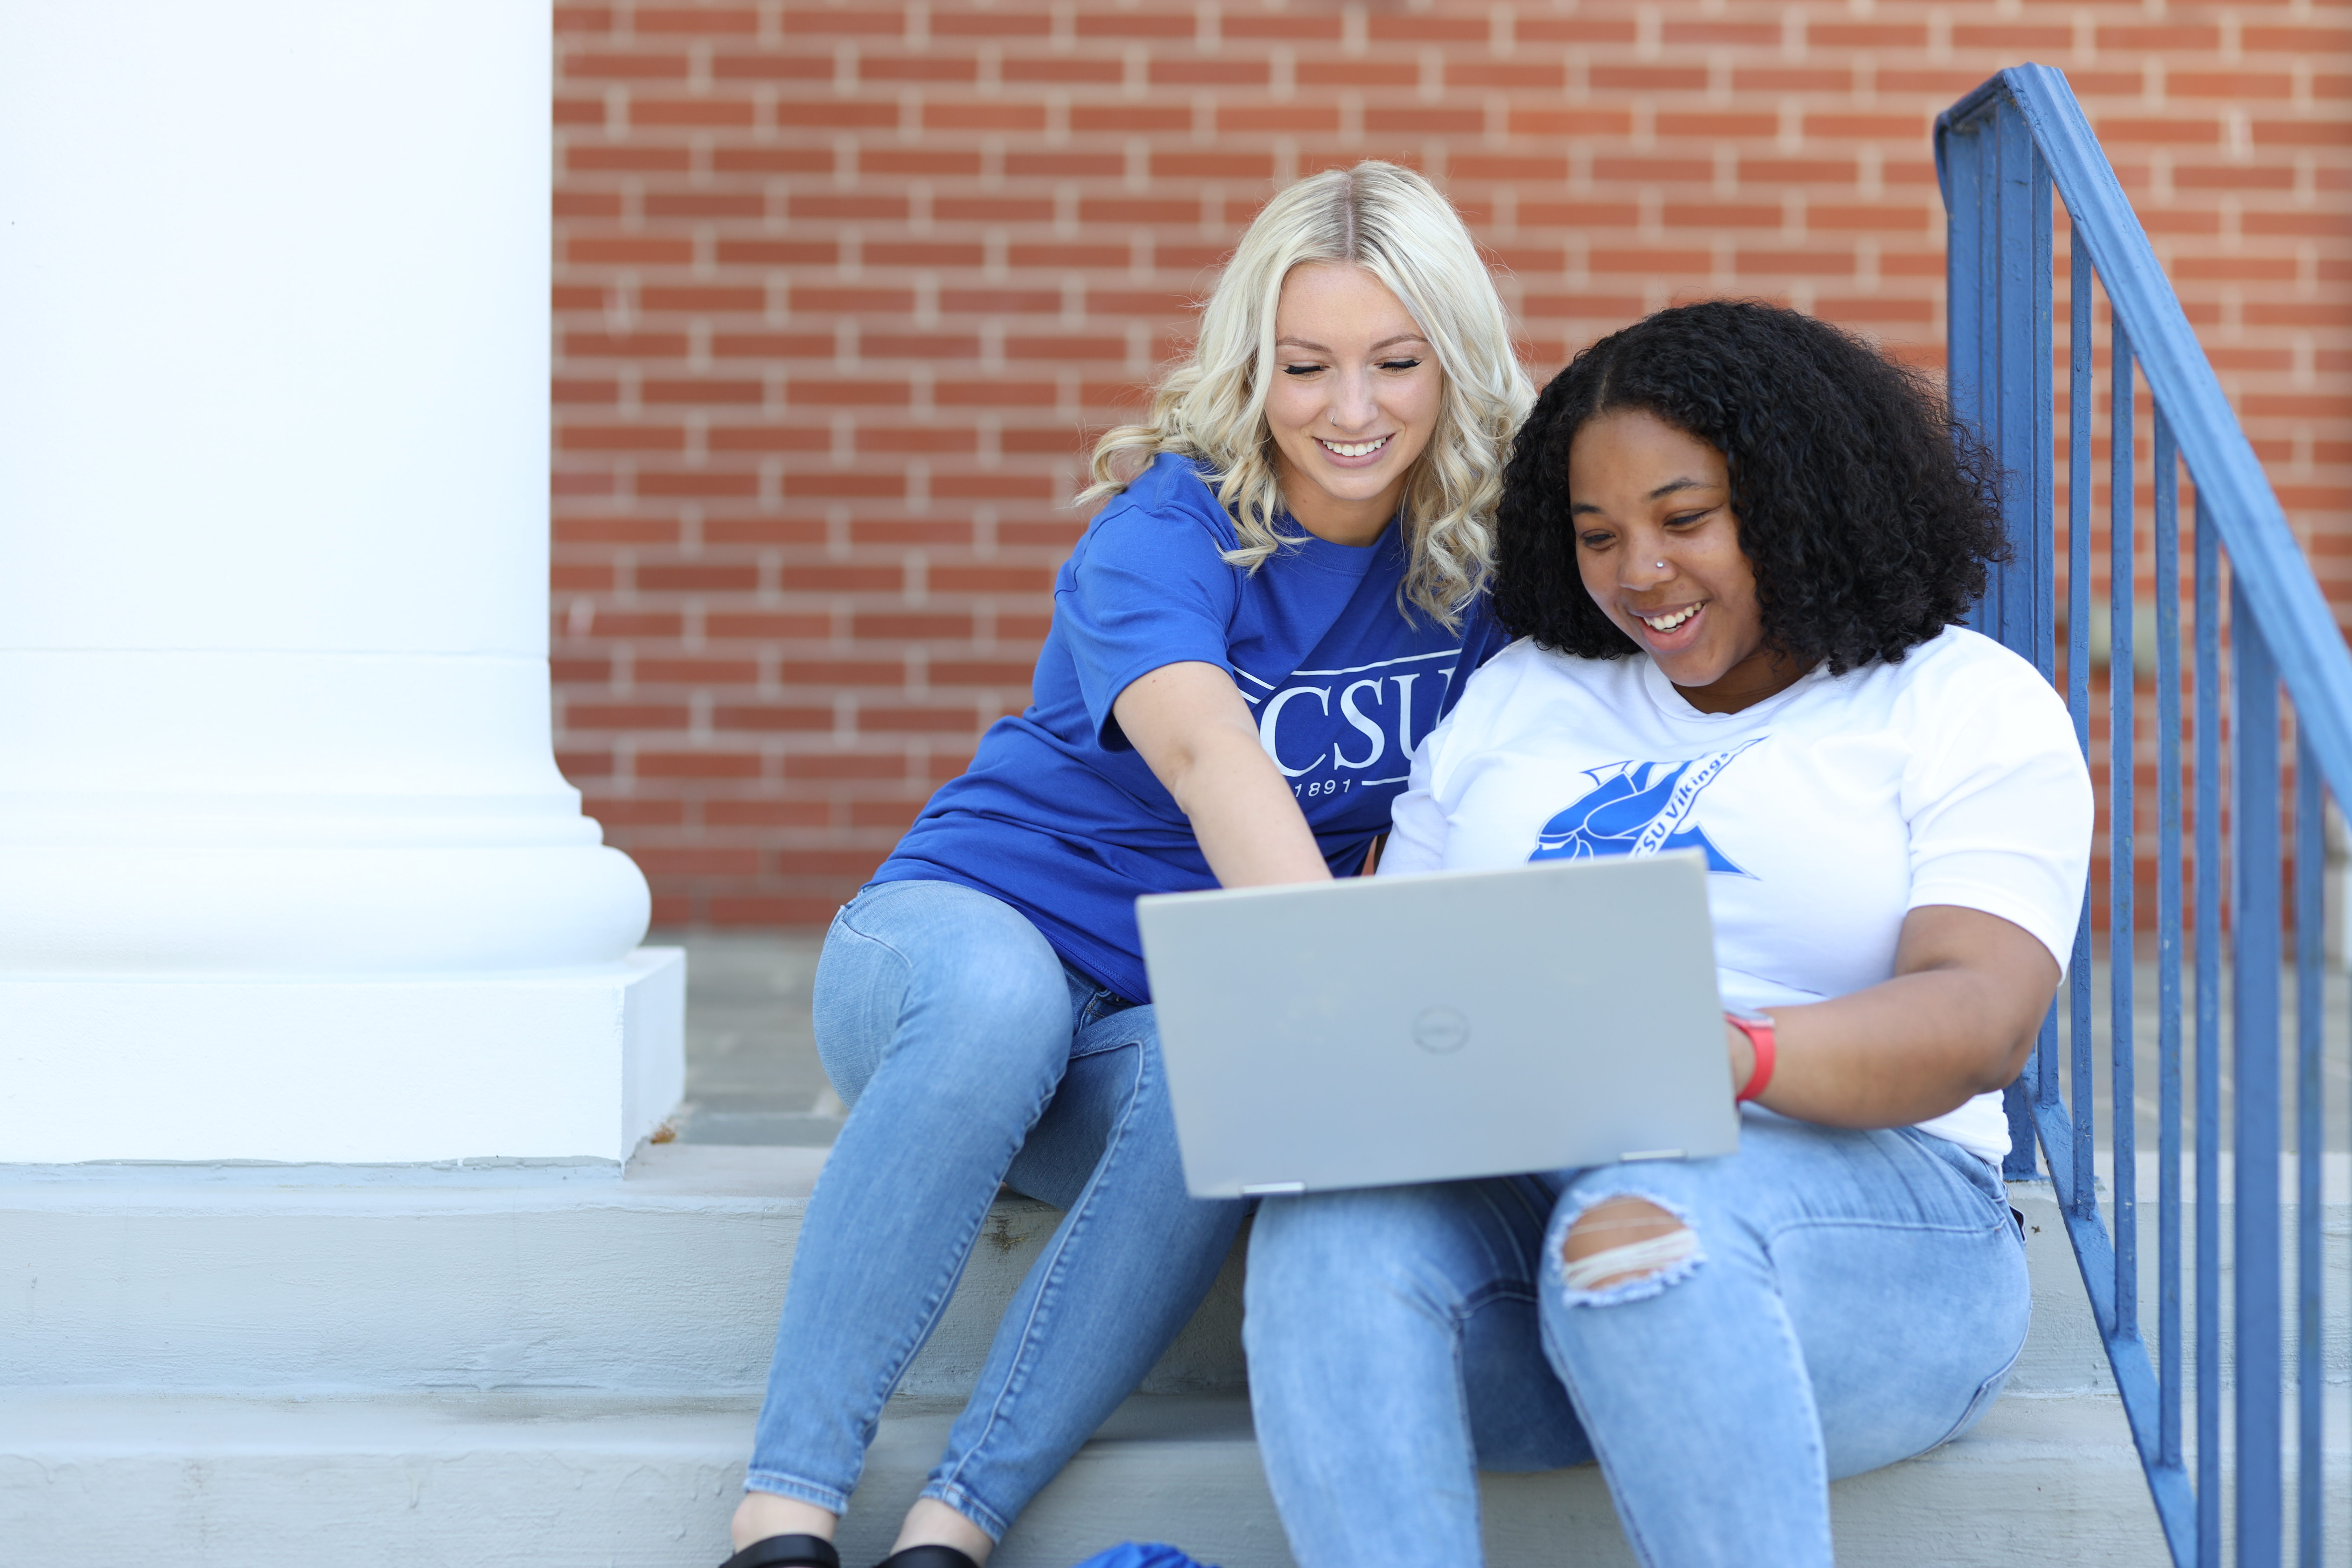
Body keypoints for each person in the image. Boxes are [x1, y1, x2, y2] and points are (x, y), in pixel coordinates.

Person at [722, 161, 1534, 1568]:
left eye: (1397, 364)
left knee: (1223, 1077)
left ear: (1453, 364)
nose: (1355, 410)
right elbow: (1215, 757)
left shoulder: (1478, 561)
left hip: (1161, 1020)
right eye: (1309, 366)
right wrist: (1353, 1014)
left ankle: (954, 1524)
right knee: (1006, 1006)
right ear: (1251, 366)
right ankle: (784, 1507)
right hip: (958, 946)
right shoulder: (1163, 530)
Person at [1240, 300, 2095, 1568]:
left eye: (1685, 521)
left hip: (1868, 1231)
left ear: (1801, 501)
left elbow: (1980, 1015)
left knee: (1644, 1218)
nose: (1639, 573)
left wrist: (1720, 1055)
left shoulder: (1958, 701)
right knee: (1327, 1237)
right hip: (1528, 1219)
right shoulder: (1526, 696)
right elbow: (1399, 964)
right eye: (1599, 536)